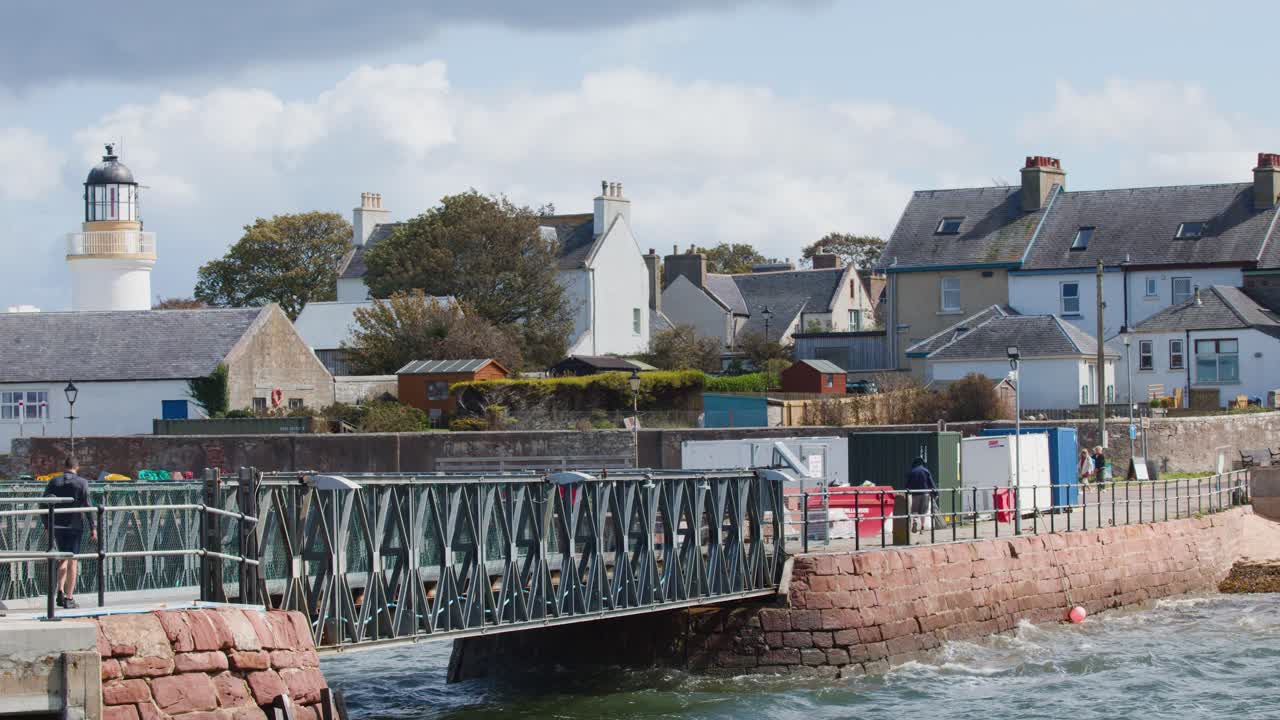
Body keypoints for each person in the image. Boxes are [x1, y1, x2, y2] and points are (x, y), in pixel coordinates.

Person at [41, 457, 96, 609]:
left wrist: (47, 523)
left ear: (64, 466)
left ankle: (59, 590)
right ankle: (69, 597)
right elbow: (88, 505)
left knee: (62, 558)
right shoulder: (82, 483)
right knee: (72, 561)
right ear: (77, 467)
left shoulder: (54, 481)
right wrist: (93, 527)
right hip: (74, 526)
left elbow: (42, 503)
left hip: (57, 526)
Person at [905, 457, 937, 533]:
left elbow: (907, 485)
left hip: (915, 494)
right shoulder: (926, 471)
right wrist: (935, 493)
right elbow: (931, 483)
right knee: (923, 511)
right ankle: (922, 527)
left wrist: (906, 492)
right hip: (925, 493)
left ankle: (915, 521)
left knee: (914, 510)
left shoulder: (912, 472)